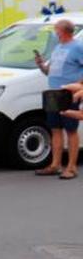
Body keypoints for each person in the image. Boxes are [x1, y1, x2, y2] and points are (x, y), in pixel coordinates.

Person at [34, 18, 83, 179]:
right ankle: (55, 165)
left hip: (68, 93)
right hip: (53, 93)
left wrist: (78, 85)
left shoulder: (78, 47)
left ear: (63, 31)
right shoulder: (58, 47)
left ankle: (72, 167)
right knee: (55, 129)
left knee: (71, 130)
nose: (55, 33)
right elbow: (50, 71)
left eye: (56, 30)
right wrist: (41, 65)